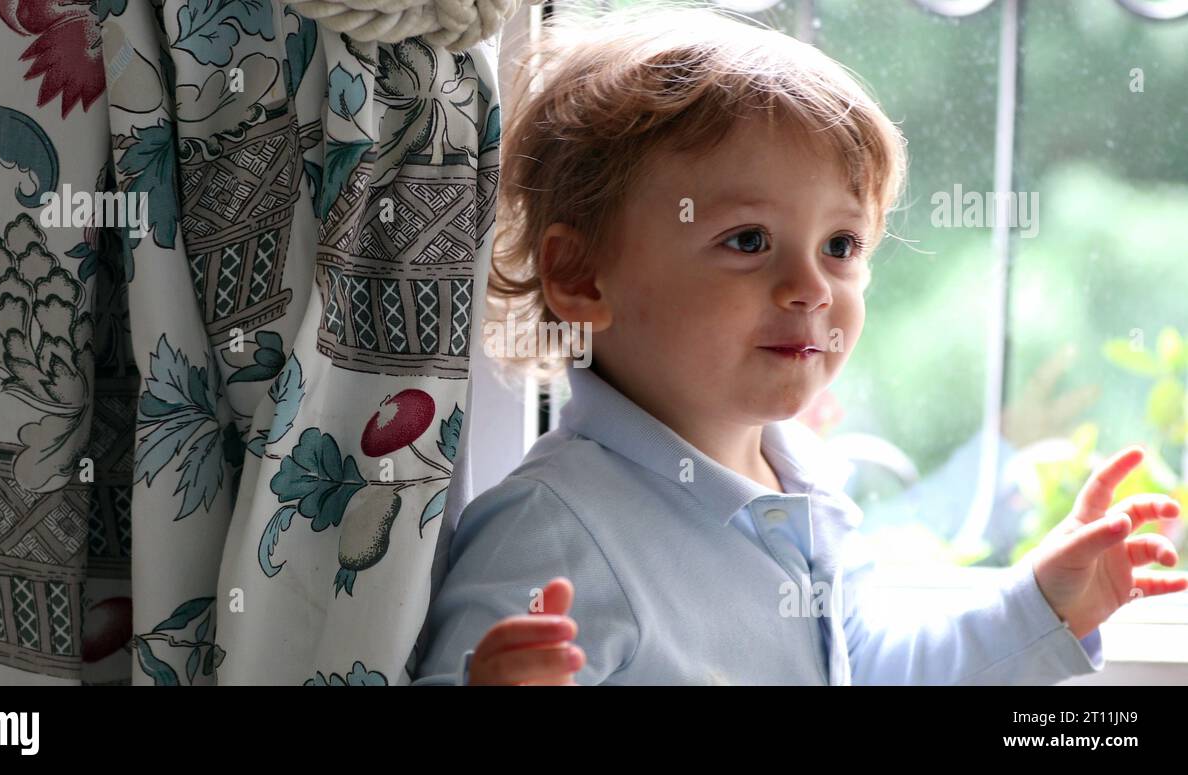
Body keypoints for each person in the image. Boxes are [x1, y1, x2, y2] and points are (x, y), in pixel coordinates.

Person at [410, 7, 1185, 686]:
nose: (811, 286)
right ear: (581, 276)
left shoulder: (800, 489)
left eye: (842, 244)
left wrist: (1040, 609)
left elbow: (867, 667)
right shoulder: (551, 529)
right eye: (748, 239)